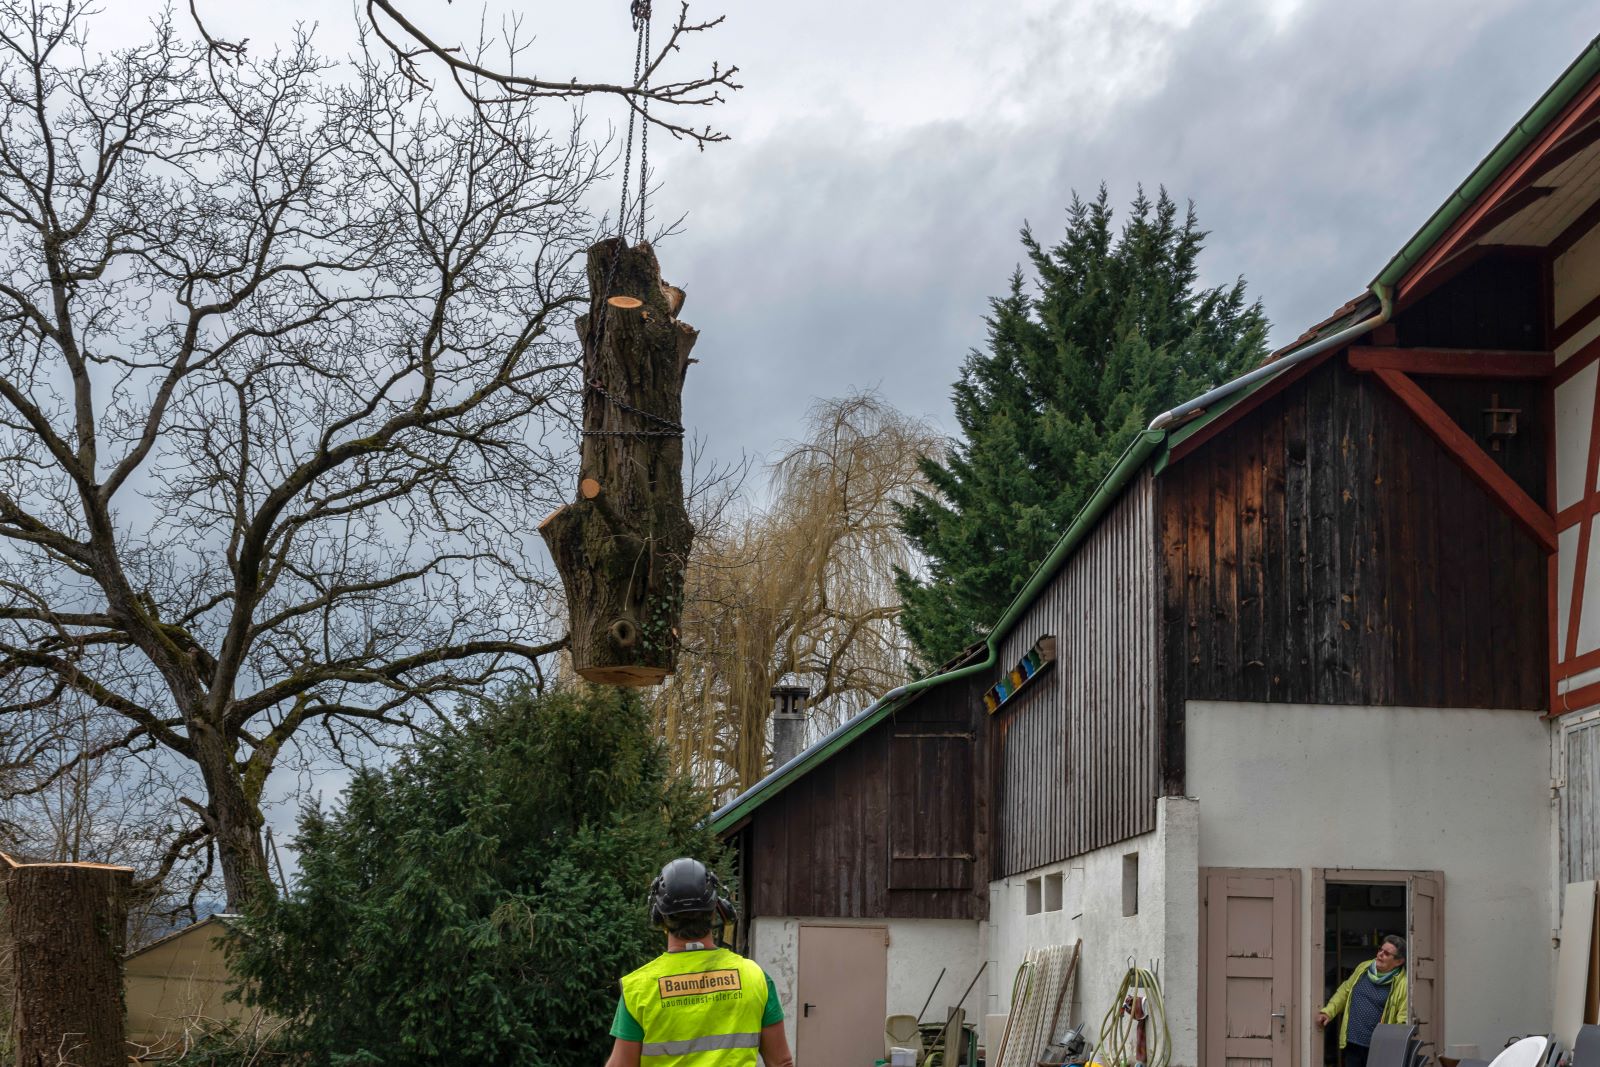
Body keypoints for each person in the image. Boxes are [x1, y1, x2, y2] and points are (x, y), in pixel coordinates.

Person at [604, 858, 796, 1067]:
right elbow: (781, 1062)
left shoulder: (638, 989)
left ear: (659, 916)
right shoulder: (755, 978)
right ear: (718, 910)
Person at [1315, 935, 1408, 1067]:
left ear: (1399, 961)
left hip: (1379, 1049)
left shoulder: (1403, 984)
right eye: (1380, 950)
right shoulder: (1364, 968)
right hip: (1353, 1042)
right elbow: (1345, 991)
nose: (1380, 954)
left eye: (1386, 953)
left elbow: (1402, 1020)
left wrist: (1395, 1050)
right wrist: (1328, 1012)